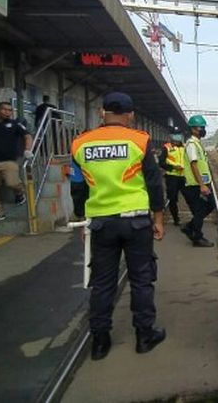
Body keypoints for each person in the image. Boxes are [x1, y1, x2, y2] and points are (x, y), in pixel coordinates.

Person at [70, 92, 165, 360]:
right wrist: (158, 218)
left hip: (100, 223)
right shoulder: (139, 141)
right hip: (136, 221)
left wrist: (83, 220)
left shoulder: (80, 144)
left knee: (102, 283)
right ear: (131, 114)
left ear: (102, 112)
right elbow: (154, 183)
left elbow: (77, 187)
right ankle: (144, 336)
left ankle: (100, 342)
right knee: (142, 279)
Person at [180, 115, 216, 247]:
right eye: (200, 127)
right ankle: (197, 238)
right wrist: (202, 185)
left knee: (209, 206)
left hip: (201, 183)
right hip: (194, 185)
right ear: (193, 129)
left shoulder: (197, 143)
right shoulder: (191, 144)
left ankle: (189, 227)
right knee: (199, 211)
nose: (202, 129)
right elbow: (194, 165)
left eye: (203, 127)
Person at [0, 102, 33, 222]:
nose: (7, 112)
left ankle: (19, 194)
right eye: (5, 110)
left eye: (10, 110)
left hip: (9, 161)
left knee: (12, 183)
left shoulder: (15, 124)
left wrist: (27, 150)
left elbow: (27, 136)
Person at [158, 130, 186, 226]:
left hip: (184, 176)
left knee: (189, 196)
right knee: (172, 199)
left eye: (179, 134)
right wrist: (173, 167)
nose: (177, 136)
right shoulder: (166, 148)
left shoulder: (184, 147)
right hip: (171, 177)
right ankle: (176, 219)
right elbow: (161, 163)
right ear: (171, 136)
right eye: (175, 134)